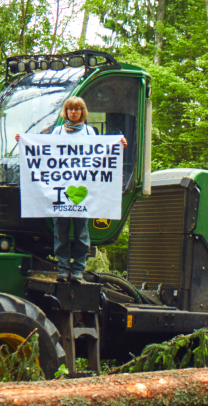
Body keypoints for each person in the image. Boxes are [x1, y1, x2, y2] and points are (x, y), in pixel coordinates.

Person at [15, 97, 126, 281]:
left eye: (77, 109)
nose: (73, 112)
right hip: (60, 193)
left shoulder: (90, 132)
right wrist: (23, 140)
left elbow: (102, 153)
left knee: (82, 232)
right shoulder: (57, 131)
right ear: (65, 112)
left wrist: (119, 144)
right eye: (70, 109)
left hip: (83, 193)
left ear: (83, 112)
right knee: (61, 231)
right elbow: (42, 150)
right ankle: (63, 268)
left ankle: (78, 270)